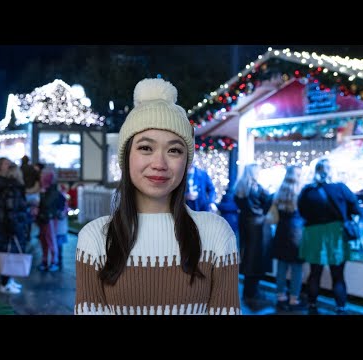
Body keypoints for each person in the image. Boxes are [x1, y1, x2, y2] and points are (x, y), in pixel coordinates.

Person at [74, 78, 240, 315]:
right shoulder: (95, 239)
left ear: (186, 162)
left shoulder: (216, 235)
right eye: (145, 148)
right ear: (126, 156)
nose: (159, 163)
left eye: (174, 150)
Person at [298, 158, 361, 314]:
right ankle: (341, 306)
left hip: (314, 234)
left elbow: (301, 211)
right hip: (336, 235)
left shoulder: (307, 191)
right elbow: (355, 208)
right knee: (338, 274)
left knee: (314, 272)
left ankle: (312, 304)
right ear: (332, 171)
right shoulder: (341, 188)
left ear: (316, 171)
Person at [0, 158, 29, 294]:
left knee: (7, 253)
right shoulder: (11, 188)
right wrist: (14, 227)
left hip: (4, 225)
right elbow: (11, 210)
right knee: (8, 253)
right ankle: (5, 283)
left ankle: (8, 280)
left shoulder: (5, 186)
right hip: (8, 226)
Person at [234, 163, 273, 306]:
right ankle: (253, 292)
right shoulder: (258, 188)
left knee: (248, 257)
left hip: (245, 224)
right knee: (257, 259)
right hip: (259, 226)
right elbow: (268, 203)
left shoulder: (240, 188)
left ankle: (247, 292)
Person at [271, 165, 306, 311]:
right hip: (297, 233)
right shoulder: (302, 192)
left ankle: (281, 297)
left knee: (282, 266)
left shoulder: (279, 192)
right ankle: (293, 299)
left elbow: (273, 215)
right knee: (297, 268)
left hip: (281, 232)